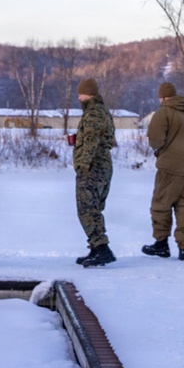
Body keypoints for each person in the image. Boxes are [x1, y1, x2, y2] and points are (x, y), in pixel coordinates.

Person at [141, 81, 184, 261]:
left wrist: (162, 151)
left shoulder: (163, 113)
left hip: (170, 168)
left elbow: (155, 140)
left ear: (161, 97)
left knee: (161, 205)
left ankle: (161, 244)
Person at [72, 78, 117, 268]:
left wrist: (83, 164)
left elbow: (90, 140)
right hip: (101, 165)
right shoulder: (101, 111)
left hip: (93, 167)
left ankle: (102, 248)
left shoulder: (93, 113)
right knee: (93, 207)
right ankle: (96, 247)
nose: (79, 97)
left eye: (81, 94)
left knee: (87, 208)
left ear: (88, 94)